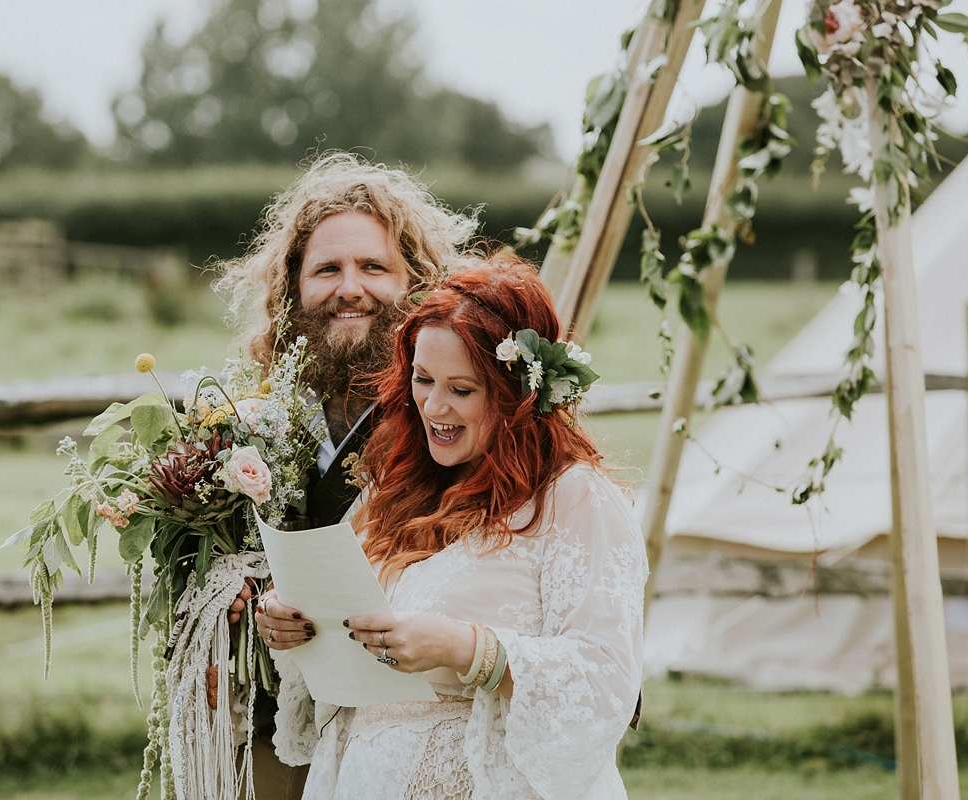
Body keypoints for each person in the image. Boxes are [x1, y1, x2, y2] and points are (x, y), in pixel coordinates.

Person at [255, 255, 647, 799]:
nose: (434, 406)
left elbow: (606, 679)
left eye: (461, 390)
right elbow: (351, 611)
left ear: (517, 396)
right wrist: (294, 621)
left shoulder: (574, 497)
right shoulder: (393, 490)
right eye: (422, 379)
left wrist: (466, 650)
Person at [212, 151, 479, 799]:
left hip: (439, 726)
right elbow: (229, 576)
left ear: (415, 282)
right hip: (295, 725)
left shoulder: (462, 412)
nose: (349, 287)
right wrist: (259, 611)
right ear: (293, 291)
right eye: (327, 268)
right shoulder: (259, 422)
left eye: (373, 267)